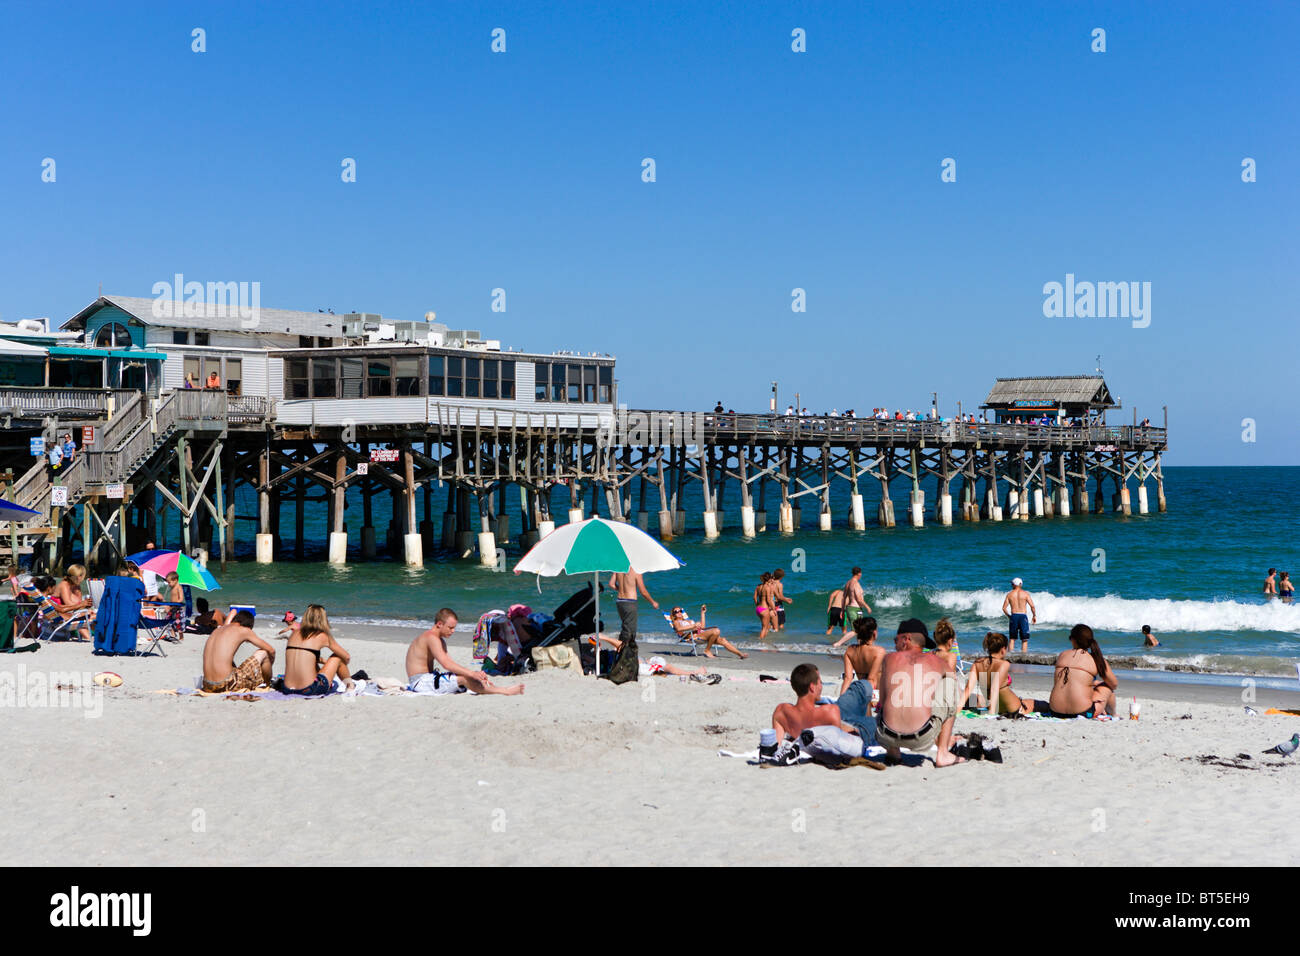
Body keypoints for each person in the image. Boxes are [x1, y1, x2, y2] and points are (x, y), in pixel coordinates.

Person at [876, 619, 965, 767]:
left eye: (895, 640)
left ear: (906, 639)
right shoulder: (936, 661)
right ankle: (942, 752)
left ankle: (893, 751)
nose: (894, 644)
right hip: (922, 737)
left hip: (885, 734)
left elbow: (882, 701)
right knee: (951, 683)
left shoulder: (888, 658)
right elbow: (956, 691)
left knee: (889, 694)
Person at [406, 607, 524, 696]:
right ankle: (504, 691)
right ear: (439, 624)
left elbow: (450, 664)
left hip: (428, 679)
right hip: (420, 682)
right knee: (465, 679)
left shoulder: (438, 640)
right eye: (450, 628)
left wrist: (474, 674)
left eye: (454, 628)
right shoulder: (431, 637)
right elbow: (446, 664)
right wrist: (471, 674)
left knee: (467, 677)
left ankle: (489, 687)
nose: (453, 631)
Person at [771, 663, 873, 747]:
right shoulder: (829, 711)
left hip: (832, 719)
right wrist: (852, 729)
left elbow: (775, 745)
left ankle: (863, 712)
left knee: (861, 687)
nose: (821, 686)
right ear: (812, 687)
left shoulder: (781, 711)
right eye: (820, 682)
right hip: (848, 724)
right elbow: (841, 741)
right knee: (862, 686)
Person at [963, 631, 1045, 716]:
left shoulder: (977, 663)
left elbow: (968, 689)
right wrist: (991, 714)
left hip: (993, 705)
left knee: (974, 697)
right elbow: (994, 689)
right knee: (1039, 704)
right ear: (1003, 649)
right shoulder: (1004, 664)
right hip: (1012, 708)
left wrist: (957, 710)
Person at [1048, 623, 1118, 718]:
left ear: (1073, 640)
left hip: (1055, 711)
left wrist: (1091, 683)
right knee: (1107, 687)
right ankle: (1113, 714)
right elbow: (1114, 684)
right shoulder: (1096, 659)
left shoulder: (1062, 655)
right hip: (1084, 713)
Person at [282, 603, 352, 696]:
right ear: (323, 619)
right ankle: (350, 686)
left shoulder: (293, 634)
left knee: (311, 657)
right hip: (308, 690)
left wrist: (321, 661)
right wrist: (340, 667)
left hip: (287, 689)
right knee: (337, 657)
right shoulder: (322, 635)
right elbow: (346, 657)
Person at [200, 610, 275, 693]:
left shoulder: (217, 630)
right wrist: (269, 667)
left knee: (228, 662)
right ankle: (267, 684)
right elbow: (271, 650)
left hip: (207, 685)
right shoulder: (244, 630)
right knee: (264, 653)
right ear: (248, 626)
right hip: (228, 684)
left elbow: (233, 611)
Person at [667, 604, 747, 658]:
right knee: (716, 631)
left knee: (723, 640)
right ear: (673, 614)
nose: (679, 613)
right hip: (692, 637)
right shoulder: (676, 622)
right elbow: (678, 629)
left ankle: (740, 654)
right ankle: (707, 650)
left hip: (701, 634)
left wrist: (702, 613)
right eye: (676, 612)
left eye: (680, 611)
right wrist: (693, 626)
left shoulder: (689, 620)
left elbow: (702, 627)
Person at [839, 616, 885, 697]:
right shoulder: (879, 651)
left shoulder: (850, 650)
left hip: (862, 691)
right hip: (876, 694)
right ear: (874, 633)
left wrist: (841, 699)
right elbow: (871, 679)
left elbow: (847, 679)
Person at [1001, 577, 1037, 652]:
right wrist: (1034, 615)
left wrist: (1009, 617)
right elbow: (1032, 606)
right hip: (1023, 617)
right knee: (1024, 639)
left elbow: (1004, 608)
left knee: (1012, 639)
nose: (1011, 585)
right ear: (1020, 584)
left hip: (1014, 616)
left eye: (1012, 584)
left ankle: (1010, 656)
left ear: (1014, 585)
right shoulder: (1025, 594)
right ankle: (1023, 657)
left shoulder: (1009, 595)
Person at [841, 567, 872, 631]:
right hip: (854, 610)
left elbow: (843, 598)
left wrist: (843, 610)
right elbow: (859, 599)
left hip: (856, 609)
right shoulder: (856, 584)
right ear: (859, 574)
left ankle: (862, 641)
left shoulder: (848, 583)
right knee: (855, 630)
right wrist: (867, 607)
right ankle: (840, 641)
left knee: (860, 629)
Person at [753, 572, 779, 641]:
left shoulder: (758, 586)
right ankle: (760, 642)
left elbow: (754, 597)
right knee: (765, 628)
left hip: (758, 609)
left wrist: (757, 605)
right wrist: (773, 609)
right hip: (765, 609)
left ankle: (763, 641)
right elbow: (769, 600)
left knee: (765, 626)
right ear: (769, 579)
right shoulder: (767, 587)